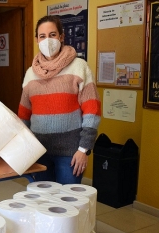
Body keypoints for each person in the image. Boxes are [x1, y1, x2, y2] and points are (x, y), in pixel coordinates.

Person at [17, 15, 101, 184]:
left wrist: (84, 149)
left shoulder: (79, 66)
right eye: (42, 36)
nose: (47, 40)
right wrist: (23, 150)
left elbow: (92, 111)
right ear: (36, 40)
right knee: (42, 204)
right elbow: (23, 116)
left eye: (52, 35)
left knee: (67, 205)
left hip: (70, 154)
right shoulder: (30, 74)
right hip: (39, 152)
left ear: (62, 37)